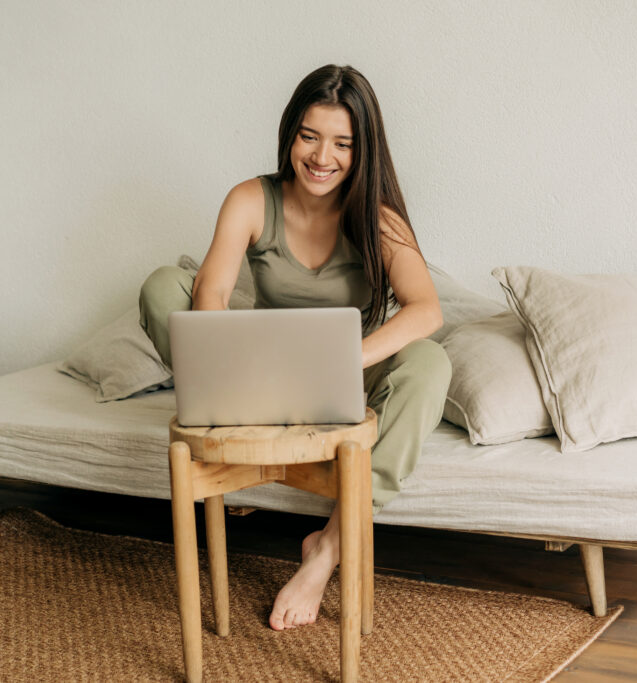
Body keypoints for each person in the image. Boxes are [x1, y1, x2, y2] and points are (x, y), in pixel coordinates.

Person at [139, 64, 451, 631]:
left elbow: (426, 308)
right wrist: (223, 369)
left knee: (431, 362)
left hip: (345, 374)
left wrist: (345, 358)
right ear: (290, 134)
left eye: (342, 143)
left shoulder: (379, 219)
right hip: (254, 374)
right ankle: (230, 415)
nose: (321, 156)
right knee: (163, 284)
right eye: (310, 136)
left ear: (363, 150)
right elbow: (209, 296)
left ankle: (328, 547)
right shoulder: (250, 200)